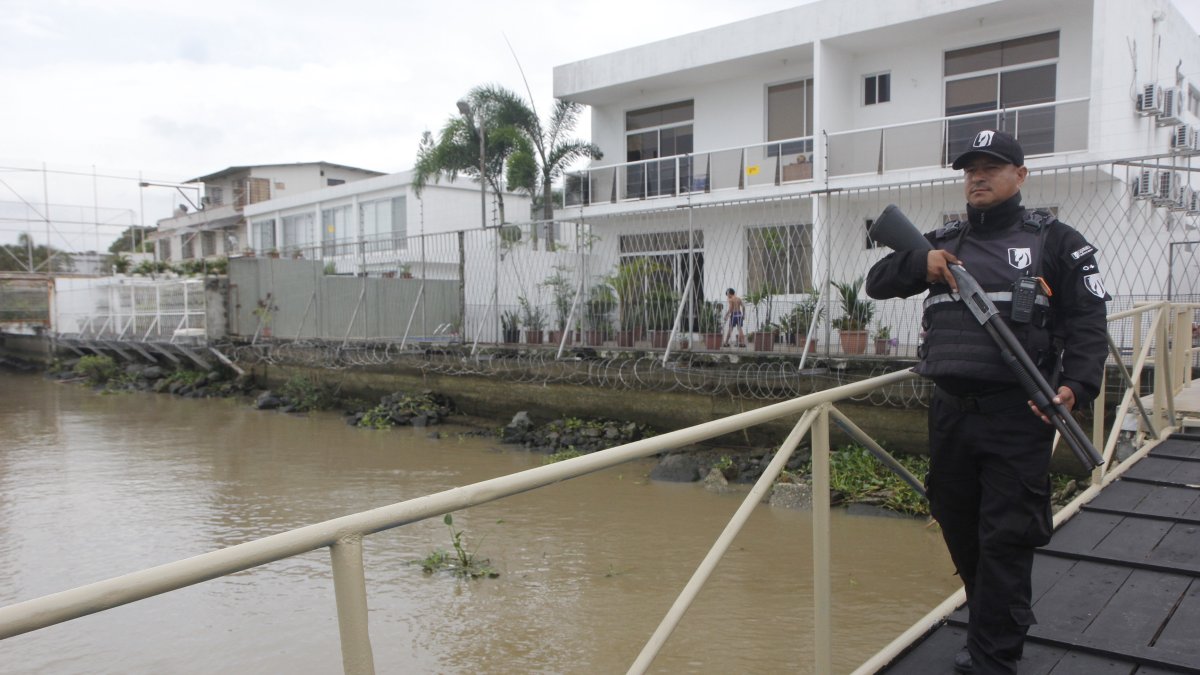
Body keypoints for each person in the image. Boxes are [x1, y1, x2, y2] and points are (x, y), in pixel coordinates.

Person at [865, 130, 1109, 674]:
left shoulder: (1058, 242)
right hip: (950, 413)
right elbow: (876, 283)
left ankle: (995, 656)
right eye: (970, 168)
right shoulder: (943, 240)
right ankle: (988, 625)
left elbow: (1089, 324)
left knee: (1006, 536)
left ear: (1019, 177)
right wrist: (919, 264)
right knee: (957, 523)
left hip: (1018, 414)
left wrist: (1077, 385)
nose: (978, 176)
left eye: (992, 167)